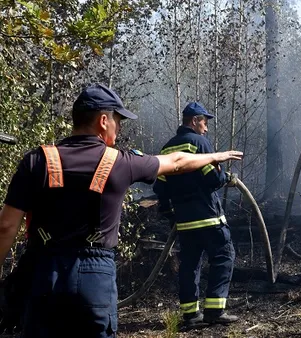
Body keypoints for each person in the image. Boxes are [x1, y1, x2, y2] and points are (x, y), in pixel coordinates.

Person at [0, 83, 243, 337]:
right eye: (118, 119)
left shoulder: (37, 160)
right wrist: (216, 156)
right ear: (103, 121)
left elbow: (6, 226)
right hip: (94, 277)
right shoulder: (120, 162)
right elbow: (178, 162)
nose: (120, 126)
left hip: (43, 273)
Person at [152, 102, 238, 328]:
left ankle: (191, 315)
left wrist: (171, 214)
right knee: (223, 256)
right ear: (194, 121)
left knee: (189, 265)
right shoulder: (200, 143)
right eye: (204, 122)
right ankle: (215, 311)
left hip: (185, 222)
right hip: (209, 217)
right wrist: (226, 176)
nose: (206, 128)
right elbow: (213, 179)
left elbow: (160, 188)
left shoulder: (166, 149)